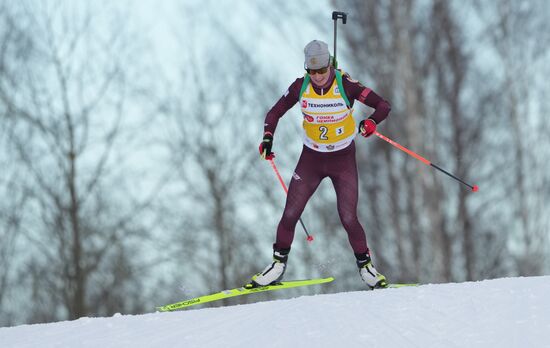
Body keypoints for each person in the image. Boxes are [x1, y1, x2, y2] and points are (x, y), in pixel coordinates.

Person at [252, 40, 391, 289]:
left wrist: (371, 122)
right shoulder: (300, 87)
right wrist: (267, 138)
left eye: (322, 71)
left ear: (330, 65)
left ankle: (367, 268)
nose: (317, 77)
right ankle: (277, 266)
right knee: (290, 213)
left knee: (348, 217)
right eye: (312, 71)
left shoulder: (345, 84)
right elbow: (273, 113)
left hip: (342, 160)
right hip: (312, 159)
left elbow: (383, 105)